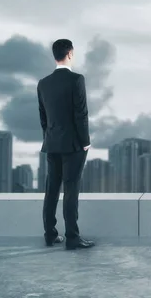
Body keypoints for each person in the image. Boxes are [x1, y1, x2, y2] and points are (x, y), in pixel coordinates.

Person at [37, 39, 95, 250]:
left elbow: (43, 117)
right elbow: (81, 114)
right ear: (70, 54)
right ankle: (72, 238)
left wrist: (50, 137)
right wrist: (85, 142)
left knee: (51, 190)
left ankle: (50, 235)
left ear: (55, 56)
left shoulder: (43, 83)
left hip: (51, 143)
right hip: (73, 145)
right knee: (71, 190)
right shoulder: (76, 80)